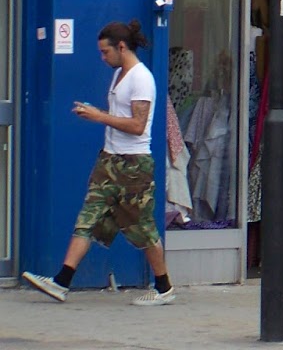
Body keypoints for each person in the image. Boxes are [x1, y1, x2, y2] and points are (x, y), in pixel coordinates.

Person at [22, 20, 177, 305]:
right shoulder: (120, 73)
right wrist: (97, 113)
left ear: (121, 47)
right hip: (109, 159)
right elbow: (121, 117)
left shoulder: (141, 78)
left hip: (133, 166)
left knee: (142, 228)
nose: (102, 58)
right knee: (88, 217)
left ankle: (164, 287)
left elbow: (138, 126)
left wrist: (98, 117)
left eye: (105, 52)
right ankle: (61, 281)